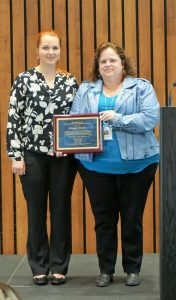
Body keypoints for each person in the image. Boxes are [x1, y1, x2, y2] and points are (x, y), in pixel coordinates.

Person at [70, 42, 159, 287]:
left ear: (122, 64)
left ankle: (132, 269)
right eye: (103, 62)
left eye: (113, 60)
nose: (108, 65)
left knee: (132, 218)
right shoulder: (86, 90)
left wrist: (117, 119)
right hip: (94, 167)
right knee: (103, 221)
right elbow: (75, 122)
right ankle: (106, 270)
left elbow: (151, 118)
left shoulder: (141, 87)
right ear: (97, 68)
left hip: (138, 167)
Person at [6, 30, 78, 286]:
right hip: (32, 156)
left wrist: (69, 145)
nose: (51, 52)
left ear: (60, 51)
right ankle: (39, 265)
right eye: (46, 48)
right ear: (37, 51)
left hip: (63, 158)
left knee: (61, 210)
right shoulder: (24, 79)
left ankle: (59, 266)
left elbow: (77, 119)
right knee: (36, 211)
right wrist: (16, 155)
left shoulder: (69, 81)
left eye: (55, 48)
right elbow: (14, 118)